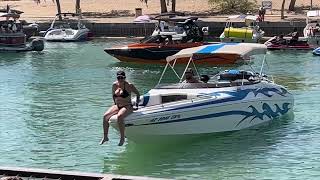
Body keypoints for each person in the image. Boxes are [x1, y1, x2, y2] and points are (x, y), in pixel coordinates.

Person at [100, 70, 140, 146]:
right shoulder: (114, 85)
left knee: (120, 116)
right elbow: (113, 96)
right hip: (118, 105)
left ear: (124, 78)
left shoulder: (129, 85)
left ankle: (122, 138)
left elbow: (138, 94)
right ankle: (105, 137)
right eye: (119, 78)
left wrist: (136, 105)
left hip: (127, 105)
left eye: (122, 78)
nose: (120, 79)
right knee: (105, 116)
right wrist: (115, 104)